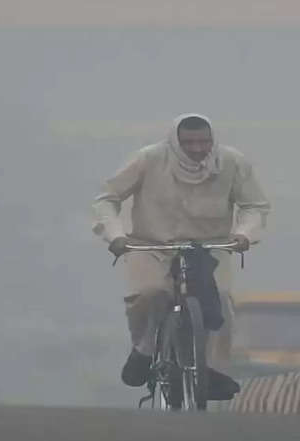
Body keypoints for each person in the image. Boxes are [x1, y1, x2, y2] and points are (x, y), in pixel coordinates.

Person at [92, 114, 270, 398]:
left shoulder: (232, 163)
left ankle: (211, 369)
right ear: (175, 141)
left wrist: (245, 234)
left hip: (209, 248)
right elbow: (107, 198)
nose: (198, 149)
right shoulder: (148, 159)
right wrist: (115, 235)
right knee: (150, 293)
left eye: (204, 141)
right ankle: (144, 348)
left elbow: (254, 205)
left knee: (221, 299)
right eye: (189, 142)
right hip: (151, 246)